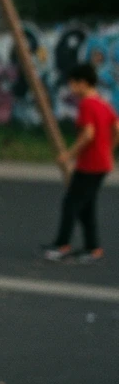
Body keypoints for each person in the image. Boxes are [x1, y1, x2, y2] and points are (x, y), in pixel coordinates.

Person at [44, 61, 118, 263]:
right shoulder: (103, 103)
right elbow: (116, 127)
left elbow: (88, 134)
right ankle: (92, 247)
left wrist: (68, 155)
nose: (71, 88)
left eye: (73, 84)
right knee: (86, 205)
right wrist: (109, 150)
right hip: (102, 163)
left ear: (83, 83)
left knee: (71, 204)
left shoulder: (86, 104)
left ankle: (62, 245)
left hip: (89, 164)